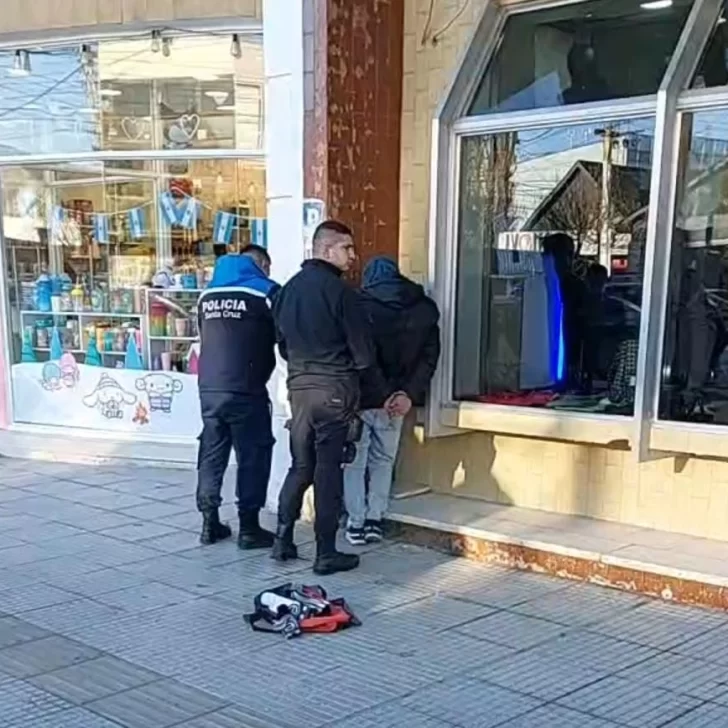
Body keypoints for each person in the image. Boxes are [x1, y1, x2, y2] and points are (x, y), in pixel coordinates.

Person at [273, 220, 392, 575]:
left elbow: (281, 344)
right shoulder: (342, 294)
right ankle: (325, 552)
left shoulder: (287, 291)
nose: (353, 257)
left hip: (300, 388)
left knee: (300, 465)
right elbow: (363, 355)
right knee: (328, 471)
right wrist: (379, 391)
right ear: (327, 250)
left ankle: (283, 538)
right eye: (347, 249)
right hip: (334, 390)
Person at [343, 256, 440, 546]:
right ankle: (376, 518)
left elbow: (361, 357)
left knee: (355, 463)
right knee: (384, 460)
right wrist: (406, 394)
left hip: (363, 398)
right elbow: (428, 359)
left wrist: (381, 393)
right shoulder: (424, 309)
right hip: (398, 403)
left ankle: (356, 522)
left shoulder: (358, 307)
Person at [195, 244, 280, 549]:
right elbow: (284, 337)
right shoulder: (265, 293)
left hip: (209, 389)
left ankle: (209, 522)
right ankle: (249, 527)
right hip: (246, 389)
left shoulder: (206, 296)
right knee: (253, 455)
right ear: (259, 265)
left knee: (211, 453)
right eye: (266, 267)